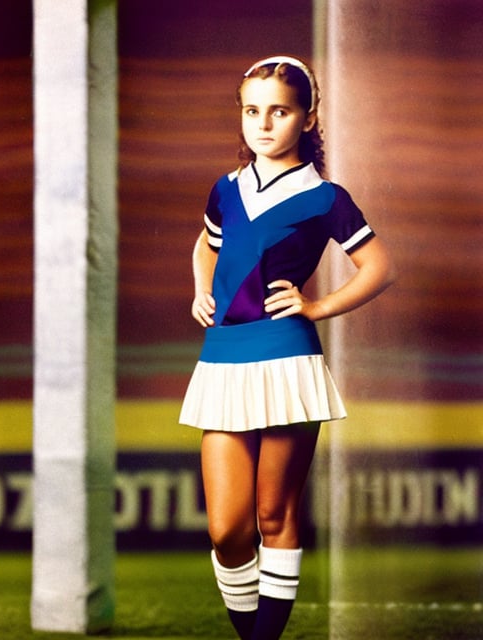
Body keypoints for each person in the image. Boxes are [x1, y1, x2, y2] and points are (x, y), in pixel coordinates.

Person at [179, 55, 395, 640]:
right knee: (226, 529)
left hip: (287, 358)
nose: (264, 124)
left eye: (280, 111)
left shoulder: (326, 197)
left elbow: (378, 267)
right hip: (224, 358)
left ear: (308, 117)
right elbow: (208, 245)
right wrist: (202, 287)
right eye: (253, 111)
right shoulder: (225, 189)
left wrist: (317, 306)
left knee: (276, 515)